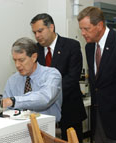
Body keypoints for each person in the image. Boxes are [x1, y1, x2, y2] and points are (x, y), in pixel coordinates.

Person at [77, 6, 116, 143]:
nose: (83, 33)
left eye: (86, 29)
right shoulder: (89, 47)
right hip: (97, 119)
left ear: (100, 25)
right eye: (81, 29)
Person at [30, 13, 87, 142]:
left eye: (40, 31)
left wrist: (48, 94)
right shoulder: (35, 50)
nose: (37, 36)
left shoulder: (71, 46)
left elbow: (72, 78)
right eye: (34, 32)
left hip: (69, 110)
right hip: (43, 113)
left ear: (51, 27)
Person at [0, 37, 62, 122]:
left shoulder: (52, 75)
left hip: (46, 129)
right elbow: (6, 107)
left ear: (34, 57)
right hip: (19, 127)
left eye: (21, 60)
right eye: (14, 60)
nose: (17, 65)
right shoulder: (13, 80)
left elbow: (45, 98)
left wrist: (13, 101)